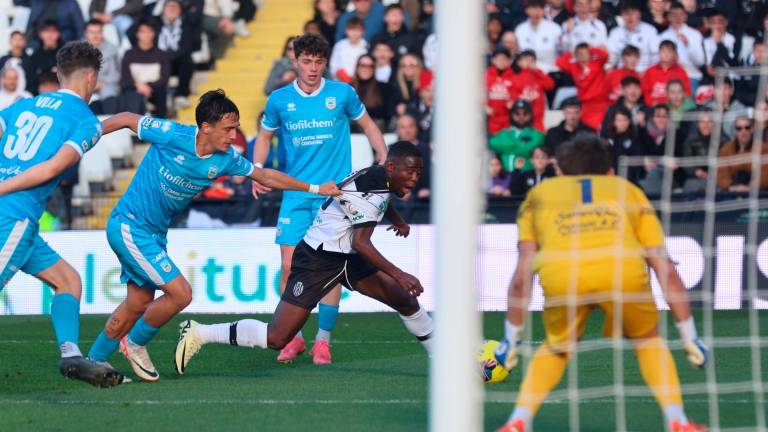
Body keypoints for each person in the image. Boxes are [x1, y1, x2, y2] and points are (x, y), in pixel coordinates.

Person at [81, 90, 340, 383]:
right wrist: (87, 136)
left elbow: (265, 175)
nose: (234, 136)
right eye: (228, 128)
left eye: (236, 128)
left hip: (154, 234)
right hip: (129, 225)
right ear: (206, 126)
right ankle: (135, 342)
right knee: (181, 294)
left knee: (138, 303)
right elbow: (128, 119)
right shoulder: (172, 134)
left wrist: (316, 189)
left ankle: (94, 362)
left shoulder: (227, 159)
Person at [494, 135, 709, 432]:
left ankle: (518, 420)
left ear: (560, 171)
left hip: (562, 273)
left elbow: (522, 274)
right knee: (648, 341)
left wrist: (511, 338)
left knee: (557, 347)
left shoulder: (541, 193)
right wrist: (690, 336)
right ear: (609, 171)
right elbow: (664, 268)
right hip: (621, 270)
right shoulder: (628, 190)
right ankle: (677, 421)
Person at [173, 142, 433, 375]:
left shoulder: (379, 178)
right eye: (409, 173)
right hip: (317, 259)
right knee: (277, 337)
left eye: (418, 173)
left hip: (346, 258)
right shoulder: (376, 189)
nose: (414, 179)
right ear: (390, 166)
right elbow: (362, 242)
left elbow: (378, 202)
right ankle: (200, 332)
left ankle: (443, 360)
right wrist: (400, 274)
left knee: (405, 301)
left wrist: (397, 220)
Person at [251, 33, 388, 365]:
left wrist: (383, 157)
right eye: (306, 61)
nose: (312, 68)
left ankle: (322, 341)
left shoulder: (342, 93)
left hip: (335, 197)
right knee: (288, 266)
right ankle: (294, 338)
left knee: (329, 269)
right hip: (296, 194)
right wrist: (257, 168)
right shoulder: (279, 99)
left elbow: (368, 125)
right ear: (295, 61)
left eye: (318, 62)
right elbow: (264, 136)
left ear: (325, 63)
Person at [0, 41, 125, 388]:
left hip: (18, 220)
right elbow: (50, 168)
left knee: (69, 281)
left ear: (58, 74)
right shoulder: (84, 121)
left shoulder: (24, 105)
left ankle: (71, 354)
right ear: (92, 78)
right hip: (15, 216)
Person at [555, 43, 610, 130]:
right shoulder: (574, 67)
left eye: (585, 53)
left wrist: (592, 48)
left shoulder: (597, 63)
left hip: (600, 104)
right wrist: (571, 53)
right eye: (580, 54)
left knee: (600, 129)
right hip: (585, 105)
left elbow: (605, 55)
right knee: (585, 130)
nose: (583, 56)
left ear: (590, 54)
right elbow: (559, 62)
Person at [490, 100, 545, 172]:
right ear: (511, 115)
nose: (521, 117)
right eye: (517, 114)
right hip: (504, 176)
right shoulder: (504, 132)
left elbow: (527, 149)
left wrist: (507, 147)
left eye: (525, 114)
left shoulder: (537, 135)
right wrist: (520, 144)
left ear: (530, 115)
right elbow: (493, 143)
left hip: (526, 175)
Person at [641, 40, 691, 107]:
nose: (666, 54)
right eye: (663, 51)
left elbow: (687, 93)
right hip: (654, 107)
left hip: (674, 107)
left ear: (674, 54)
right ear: (659, 53)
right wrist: (652, 102)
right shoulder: (650, 71)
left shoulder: (681, 72)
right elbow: (645, 92)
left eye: (669, 51)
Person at [330, 16, 368, 83]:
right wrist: (340, 74)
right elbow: (333, 65)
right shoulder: (339, 45)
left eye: (358, 30)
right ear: (346, 31)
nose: (355, 33)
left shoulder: (366, 46)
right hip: (340, 81)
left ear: (363, 31)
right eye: (351, 29)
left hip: (360, 82)